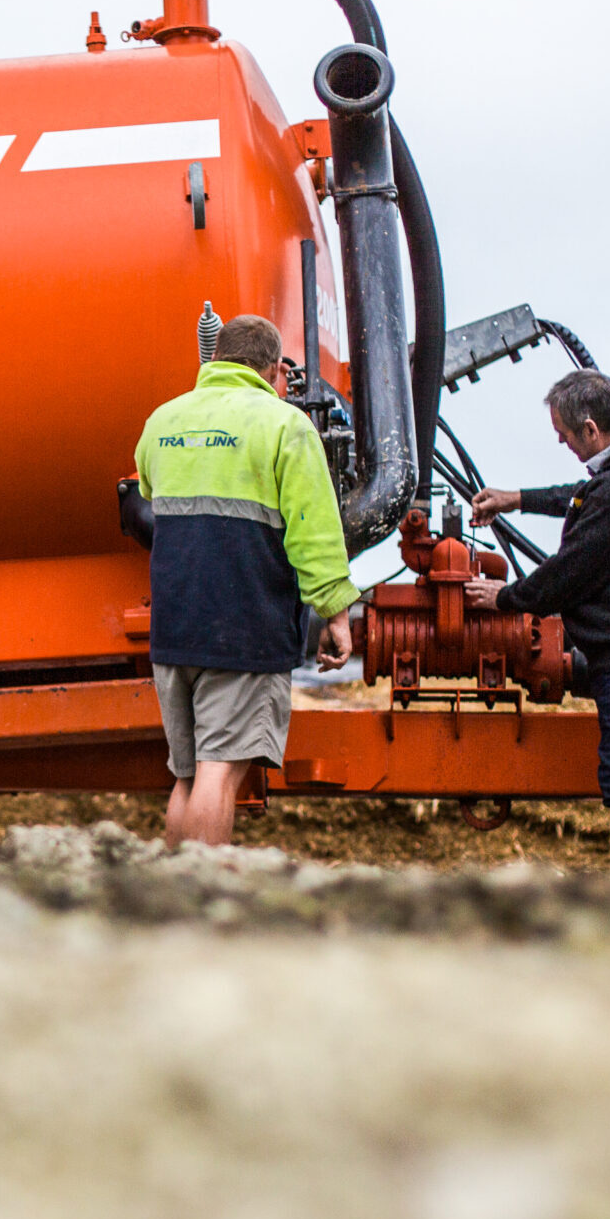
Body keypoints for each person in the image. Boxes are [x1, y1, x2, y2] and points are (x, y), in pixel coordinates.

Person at [134, 314, 360, 847]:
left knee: (187, 776)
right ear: (275, 368)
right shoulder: (284, 425)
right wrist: (337, 613)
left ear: (215, 359)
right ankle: (204, 901)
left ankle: (167, 902)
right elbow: (315, 533)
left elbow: (146, 490)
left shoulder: (161, 421)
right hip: (244, 626)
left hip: (174, 626)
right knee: (221, 771)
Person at [463, 370, 610, 874]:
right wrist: (518, 499)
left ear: (590, 429)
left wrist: (503, 598)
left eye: (565, 436)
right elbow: (584, 494)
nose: (562, 443)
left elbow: (569, 574)